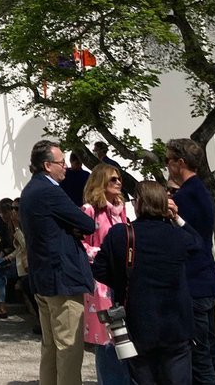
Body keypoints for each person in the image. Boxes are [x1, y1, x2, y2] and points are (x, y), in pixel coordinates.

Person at [93, 181, 201, 385]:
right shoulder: (177, 236)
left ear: (139, 203)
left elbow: (99, 269)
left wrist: (123, 282)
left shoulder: (120, 234)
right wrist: (176, 218)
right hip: (176, 322)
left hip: (138, 321)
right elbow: (198, 244)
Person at [20, 139, 95, 385]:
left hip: (43, 277)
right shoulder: (50, 191)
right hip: (62, 280)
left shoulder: (30, 190)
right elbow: (87, 224)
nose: (66, 167)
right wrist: (72, 227)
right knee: (69, 348)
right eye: (61, 163)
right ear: (47, 165)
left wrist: (68, 226)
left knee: (51, 346)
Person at [166, 137, 215, 385]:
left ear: (180, 162)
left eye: (168, 160)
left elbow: (188, 240)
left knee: (200, 358)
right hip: (205, 279)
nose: (166, 166)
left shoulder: (187, 196)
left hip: (194, 282)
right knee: (211, 352)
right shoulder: (200, 190)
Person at [79, 164, 129, 385]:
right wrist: (102, 253)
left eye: (119, 179)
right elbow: (80, 244)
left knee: (123, 336)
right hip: (101, 280)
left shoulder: (121, 209)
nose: (118, 183)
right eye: (113, 179)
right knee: (106, 337)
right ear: (101, 182)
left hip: (122, 278)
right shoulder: (89, 210)